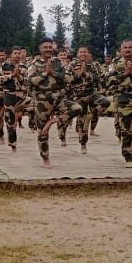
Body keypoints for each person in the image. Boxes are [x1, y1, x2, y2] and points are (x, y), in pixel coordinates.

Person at [26, 37, 82, 168]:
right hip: (42, 101)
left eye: (50, 47)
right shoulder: (34, 65)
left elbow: (69, 79)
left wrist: (55, 73)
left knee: (77, 108)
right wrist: (45, 73)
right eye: (45, 47)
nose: (48, 49)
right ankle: (45, 158)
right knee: (42, 133)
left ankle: (52, 122)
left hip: (59, 98)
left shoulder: (59, 63)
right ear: (40, 49)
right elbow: (30, 82)